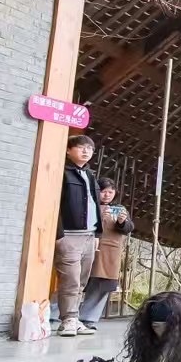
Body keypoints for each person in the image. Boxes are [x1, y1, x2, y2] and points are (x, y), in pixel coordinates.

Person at [55, 135, 102, 336]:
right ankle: (68, 320)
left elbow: (94, 205)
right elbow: (54, 204)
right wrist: (59, 234)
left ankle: (75, 318)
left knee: (82, 281)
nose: (85, 151)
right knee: (71, 280)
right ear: (68, 150)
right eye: (81, 147)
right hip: (69, 235)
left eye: (89, 149)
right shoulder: (62, 172)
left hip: (89, 235)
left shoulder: (90, 175)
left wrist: (98, 232)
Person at [79, 178, 134, 331]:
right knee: (75, 280)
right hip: (87, 246)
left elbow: (129, 227)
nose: (107, 195)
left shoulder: (119, 208)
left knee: (101, 284)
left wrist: (122, 222)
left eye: (110, 192)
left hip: (109, 251)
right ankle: (59, 314)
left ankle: (87, 318)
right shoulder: (89, 204)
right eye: (104, 191)